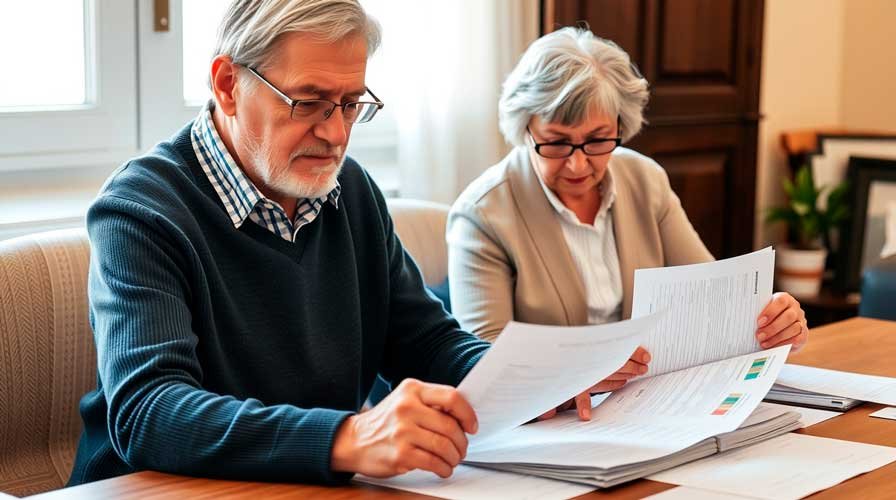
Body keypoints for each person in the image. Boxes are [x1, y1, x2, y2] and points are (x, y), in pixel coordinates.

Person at [70, 0, 496, 486]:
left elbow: (426, 341)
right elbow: (151, 412)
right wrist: (347, 438)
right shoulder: (140, 209)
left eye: (351, 104)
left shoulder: (351, 191)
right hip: (157, 489)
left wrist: (534, 387)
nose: (336, 133)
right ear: (228, 85)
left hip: (299, 486)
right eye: (308, 102)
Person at [447, 27, 809, 416]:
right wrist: (573, 380)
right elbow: (484, 365)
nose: (578, 164)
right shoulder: (483, 214)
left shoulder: (645, 180)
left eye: (597, 140)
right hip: (552, 423)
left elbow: (712, 299)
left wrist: (774, 322)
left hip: (649, 405)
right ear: (524, 129)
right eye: (556, 142)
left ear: (622, 125)